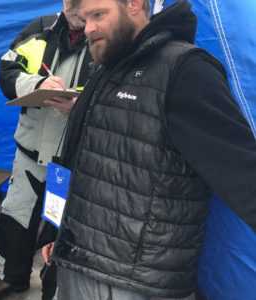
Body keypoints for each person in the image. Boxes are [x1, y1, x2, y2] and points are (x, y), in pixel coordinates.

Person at [42, 0, 256, 299]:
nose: (88, 28)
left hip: (133, 281)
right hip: (77, 259)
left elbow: (242, 172)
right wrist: (54, 231)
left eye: (98, 15)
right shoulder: (107, 67)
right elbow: (79, 154)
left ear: (134, 4)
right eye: (85, 18)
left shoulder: (185, 70)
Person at [0, 1, 92, 299]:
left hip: (74, 162)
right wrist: (38, 84)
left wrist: (80, 106)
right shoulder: (39, 29)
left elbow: (119, 96)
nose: (79, 9)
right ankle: (11, 277)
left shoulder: (105, 36)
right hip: (29, 152)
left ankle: (55, 290)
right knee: (15, 217)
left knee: (66, 232)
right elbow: (7, 71)